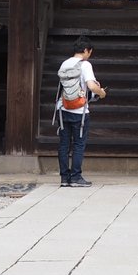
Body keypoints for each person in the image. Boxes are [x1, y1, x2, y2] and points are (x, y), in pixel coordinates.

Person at [55, 38, 105, 187]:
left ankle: (64, 179)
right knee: (78, 144)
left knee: (64, 144)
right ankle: (76, 177)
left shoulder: (65, 63)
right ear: (85, 50)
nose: (89, 55)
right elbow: (91, 85)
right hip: (79, 111)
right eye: (89, 52)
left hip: (62, 109)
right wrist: (101, 93)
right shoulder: (85, 64)